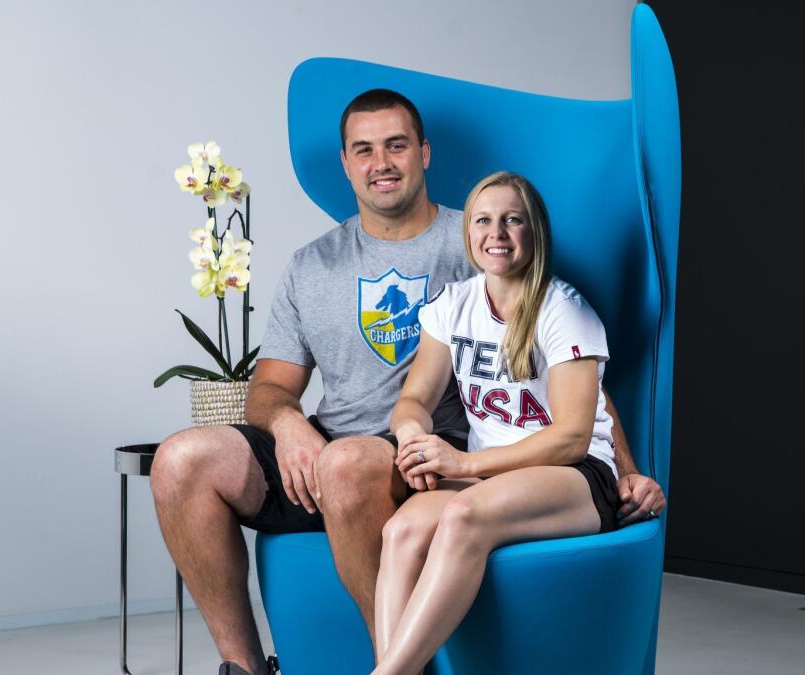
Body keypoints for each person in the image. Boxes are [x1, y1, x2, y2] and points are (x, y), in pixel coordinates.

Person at [149, 89, 666, 675]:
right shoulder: (311, 264)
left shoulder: (479, 240)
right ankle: (244, 666)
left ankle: (396, 664)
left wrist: (625, 471)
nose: (381, 163)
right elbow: (269, 390)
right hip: (329, 446)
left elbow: (571, 370)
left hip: (421, 459)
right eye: (363, 150)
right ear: (345, 163)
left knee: (345, 464)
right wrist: (291, 426)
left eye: (396, 145)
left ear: (424, 152)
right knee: (180, 461)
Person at [372, 171, 620, 674]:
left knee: (463, 517)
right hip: (489, 477)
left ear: (535, 232)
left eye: (513, 220)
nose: (497, 233)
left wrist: (463, 462)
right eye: (483, 220)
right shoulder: (452, 306)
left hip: (577, 477)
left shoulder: (563, 310)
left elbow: (573, 437)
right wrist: (413, 438)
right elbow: (415, 397)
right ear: (468, 233)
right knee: (400, 531)